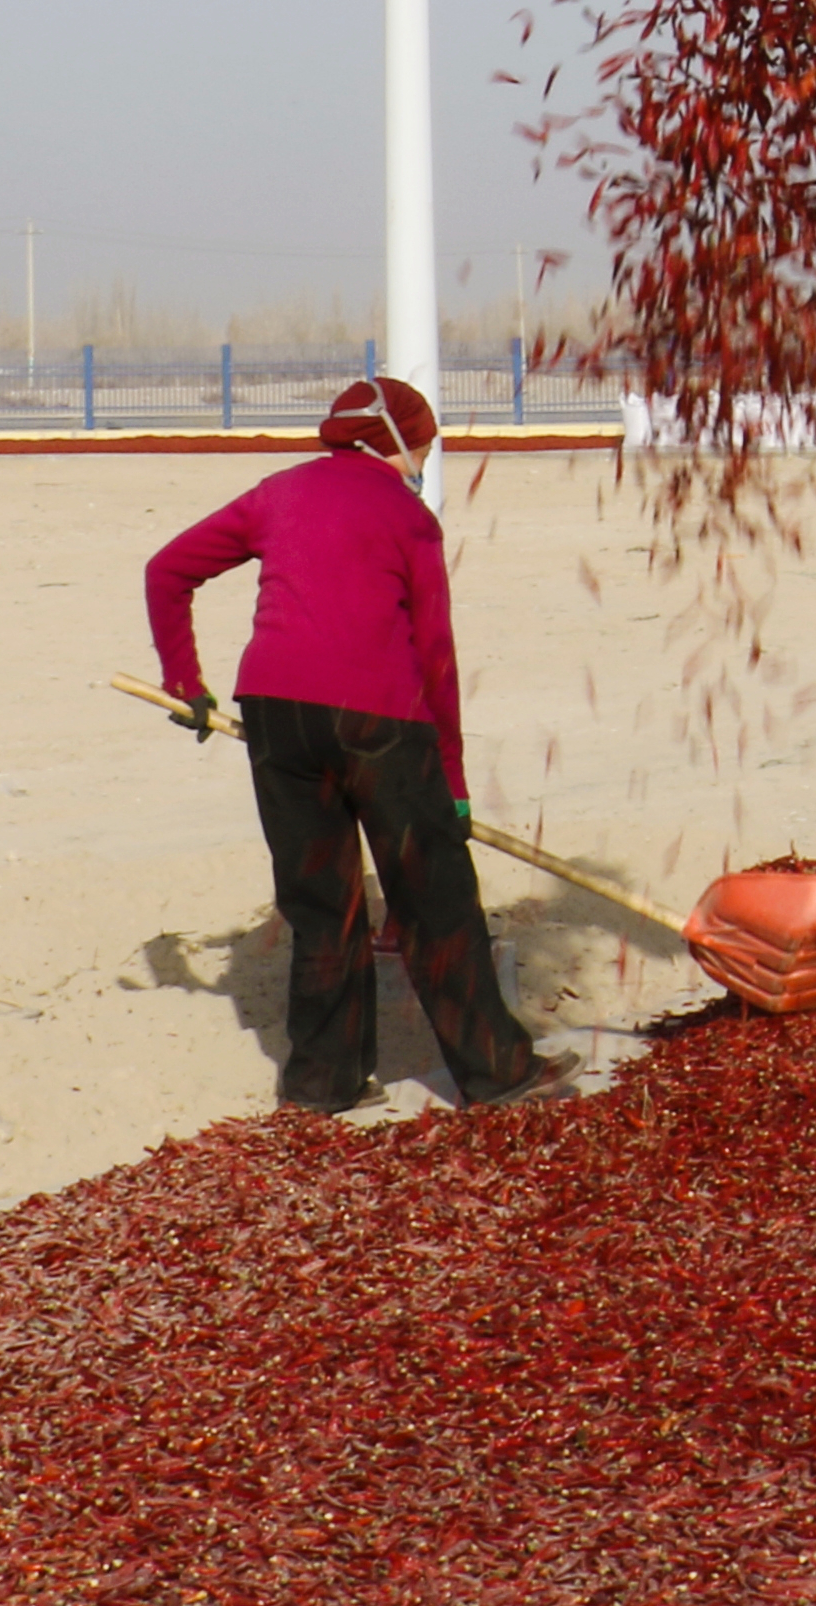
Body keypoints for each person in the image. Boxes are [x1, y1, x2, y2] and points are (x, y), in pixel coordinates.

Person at [143, 375, 556, 1113]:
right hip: (378, 724)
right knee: (436, 897)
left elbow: (166, 571)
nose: (428, 454)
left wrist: (185, 681)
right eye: (426, 442)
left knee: (319, 902)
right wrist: (453, 782)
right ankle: (500, 1075)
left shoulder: (278, 492)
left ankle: (321, 1086)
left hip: (274, 714)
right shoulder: (409, 517)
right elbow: (435, 656)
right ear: (397, 440)